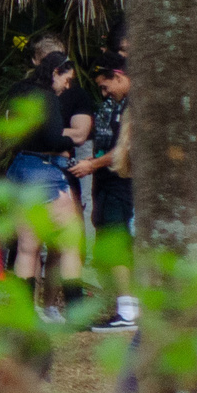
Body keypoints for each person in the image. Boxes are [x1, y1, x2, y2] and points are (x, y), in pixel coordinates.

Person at [2, 50, 93, 322]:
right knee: (69, 243)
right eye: (66, 79)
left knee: (27, 247)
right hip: (45, 171)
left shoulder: (19, 91)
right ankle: (77, 317)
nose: (67, 86)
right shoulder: (47, 96)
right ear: (55, 72)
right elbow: (54, 136)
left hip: (19, 167)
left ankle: (23, 315)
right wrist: (70, 142)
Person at [68, 53, 137, 329]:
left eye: (106, 85)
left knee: (117, 243)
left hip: (123, 182)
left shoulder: (137, 105)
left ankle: (129, 311)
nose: (103, 91)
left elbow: (126, 147)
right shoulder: (112, 105)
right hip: (106, 184)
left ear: (119, 77)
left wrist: (92, 164)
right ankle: (125, 306)